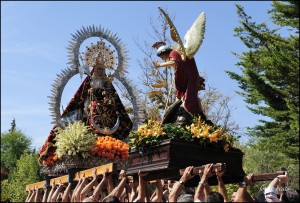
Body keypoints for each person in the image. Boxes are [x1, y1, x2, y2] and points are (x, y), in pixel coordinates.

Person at [152, 42, 210, 126]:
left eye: (162, 57)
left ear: (164, 52)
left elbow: (174, 62)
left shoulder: (174, 53)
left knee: (184, 103)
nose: (163, 59)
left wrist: (160, 65)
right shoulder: (177, 55)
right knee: (179, 103)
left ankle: (185, 118)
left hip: (186, 86)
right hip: (182, 87)